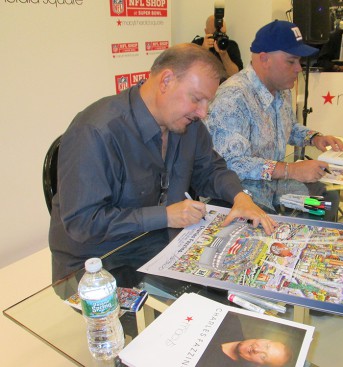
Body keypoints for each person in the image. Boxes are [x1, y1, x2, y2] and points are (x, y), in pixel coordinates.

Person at [49, 43, 277, 282]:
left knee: (239, 288)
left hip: (160, 246)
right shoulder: (95, 132)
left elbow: (210, 169)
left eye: (207, 102)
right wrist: (165, 216)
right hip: (97, 265)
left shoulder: (189, 125)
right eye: (197, 99)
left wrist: (240, 197)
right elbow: (83, 223)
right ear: (166, 81)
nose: (203, 113)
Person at [204, 20, 343, 218]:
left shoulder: (281, 89)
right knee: (299, 225)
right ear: (264, 59)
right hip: (243, 201)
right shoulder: (233, 97)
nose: (298, 68)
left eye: (299, 61)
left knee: (326, 204)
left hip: (276, 192)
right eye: (291, 61)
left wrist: (314, 138)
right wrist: (290, 170)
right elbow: (229, 164)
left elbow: (289, 127)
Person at [196, 313, 293, 367]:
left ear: (259, 365)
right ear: (264, 339)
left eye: (263, 356)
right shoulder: (230, 320)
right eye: (266, 346)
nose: (257, 350)